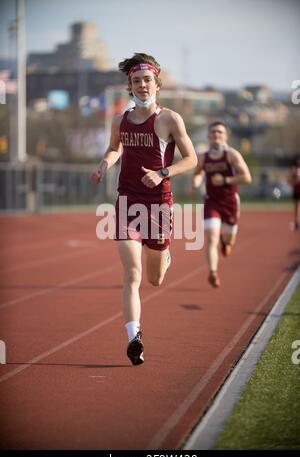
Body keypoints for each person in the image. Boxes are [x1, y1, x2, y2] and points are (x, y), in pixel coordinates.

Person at [91, 53, 197, 366]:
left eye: (146, 80)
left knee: (155, 279)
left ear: (156, 83)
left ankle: (164, 255)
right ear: (130, 86)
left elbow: (192, 160)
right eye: (136, 81)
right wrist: (104, 164)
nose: (141, 85)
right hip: (127, 201)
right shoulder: (119, 121)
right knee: (132, 273)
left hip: (159, 205)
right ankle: (134, 337)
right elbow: (114, 148)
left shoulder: (170, 120)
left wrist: (163, 173)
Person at [192, 121, 252, 288]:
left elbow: (247, 178)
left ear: (225, 136)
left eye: (219, 132)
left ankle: (226, 242)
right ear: (209, 136)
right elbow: (197, 174)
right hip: (211, 201)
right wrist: (195, 183)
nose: (216, 135)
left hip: (230, 202)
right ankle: (212, 272)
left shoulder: (232, 155)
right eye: (213, 132)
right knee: (211, 238)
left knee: (228, 239)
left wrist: (226, 179)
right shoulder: (203, 157)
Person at [288, 154, 300, 230]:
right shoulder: (294, 169)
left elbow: (297, 180)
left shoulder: (297, 170)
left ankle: (297, 222)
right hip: (296, 190)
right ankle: (296, 222)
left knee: (298, 207)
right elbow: (291, 179)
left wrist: (294, 181)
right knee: (296, 207)